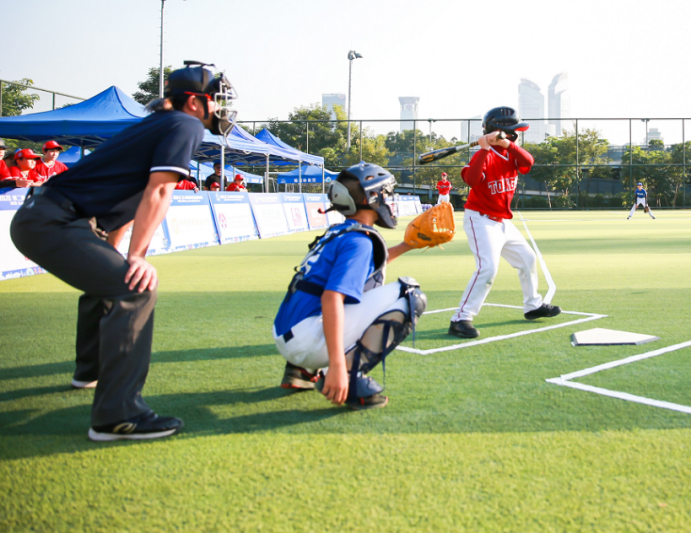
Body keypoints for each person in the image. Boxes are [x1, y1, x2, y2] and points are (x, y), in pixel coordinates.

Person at [10, 61, 237, 441]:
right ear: (195, 102)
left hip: (50, 217)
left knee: (111, 283)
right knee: (135, 286)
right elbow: (160, 190)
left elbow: (124, 204)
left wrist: (119, 256)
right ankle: (117, 416)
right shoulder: (185, 125)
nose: (220, 108)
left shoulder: (160, 124)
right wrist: (137, 259)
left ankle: (89, 371)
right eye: (215, 100)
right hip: (56, 221)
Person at [274, 163, 426, 410]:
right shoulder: (360, 241)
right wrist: (335, 366)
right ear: (372, 197)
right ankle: (349, 376)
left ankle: (300, 370)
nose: (389, 198)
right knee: (411, 295)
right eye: (386, 192)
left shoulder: (340, 232)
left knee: (356, 289)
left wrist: (408, 245)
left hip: (287, 334)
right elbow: (331, 298)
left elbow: (366, 267)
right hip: (307, 340)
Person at [448, 106, 560, 339]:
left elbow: (528, 161)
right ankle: (461, 318)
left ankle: (532, 306)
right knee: (487, 268)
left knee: (527, 258)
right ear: (500, 131)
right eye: (512, 132)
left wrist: (507, 144)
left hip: (502, 222)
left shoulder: (511, 153)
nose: (516, 134)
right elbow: (470, 179)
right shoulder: (484, 156)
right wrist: (484, 148)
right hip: (481, 220)